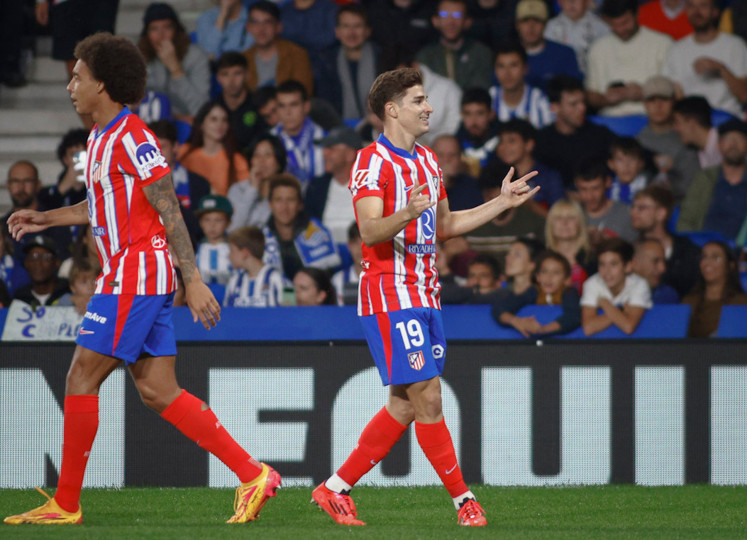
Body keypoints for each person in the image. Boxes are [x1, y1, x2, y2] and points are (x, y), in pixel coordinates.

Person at [3, 32, 280, 526]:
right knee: (158, 390)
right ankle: (253, 473)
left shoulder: (133, 136)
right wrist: (46, 218)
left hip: (136, 271)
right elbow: (101, 206)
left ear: (103, 85)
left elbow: (168, 205)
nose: (70, 85)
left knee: (80, 376)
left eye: (78, 76)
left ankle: (66, 503)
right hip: (134, 272)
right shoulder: (100, 137)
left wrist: (192, 279)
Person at [311, 67, 539, 528]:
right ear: (392, 110)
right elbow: (370, 229)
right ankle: (464, 501)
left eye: (426, 99)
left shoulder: (430, 162)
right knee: (429, 397)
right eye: (418, 100)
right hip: (389, 292)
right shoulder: (371, 161)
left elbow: (447, 226)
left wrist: (501, 202)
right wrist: (406, 211)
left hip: (425, 294)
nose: (428, 107)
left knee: (404, 404)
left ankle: (333, 489)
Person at [662, 0, 747, 119]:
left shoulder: (735, 45)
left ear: (715, 12)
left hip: (727, 119)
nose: (696, 12)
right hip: (691, 122)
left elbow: (744, 96)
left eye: (703, 6)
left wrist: (721, 69)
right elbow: (672, 93)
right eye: (691, 6)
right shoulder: (677, 49)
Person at [585, 0, 672, 116]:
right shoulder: (597, 48)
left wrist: (644, 93)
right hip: (609, 120)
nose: (620, 29)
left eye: (625, 23)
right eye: (614, 25)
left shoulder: (663, 44)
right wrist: (606, 100)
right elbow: (590, 94)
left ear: (637, 14)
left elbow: (675, 92)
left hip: (651, 119)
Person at [534, 75, 616, 189]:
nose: (582, 108)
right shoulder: (542, 142)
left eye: (583, 102)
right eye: (573, 104)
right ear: (555, 108)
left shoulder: (600, 135)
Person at [676, 119, 747, 241]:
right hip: (703, 247)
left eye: (739, 139)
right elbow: (687, 219)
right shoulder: (705, 178)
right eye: (728, 139)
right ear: (719, 145)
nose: (733, 144)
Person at [138, 3, 210, 119]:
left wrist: (176, 69)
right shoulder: (140, 58)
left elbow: (201, 108)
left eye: (167, 27)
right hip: (152, 125)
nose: (161, 35)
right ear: (147, 34)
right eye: (154, 29)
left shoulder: (196, 56)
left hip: (189, 126)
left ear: (176, 30)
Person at [263, 173, 340, 281]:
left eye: (290, 200)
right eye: (278, 200)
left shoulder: (318, 233)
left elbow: (323, 281)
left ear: (300, 204)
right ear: (270, 204)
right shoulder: (261, 238)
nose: (284, 207)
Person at [636, 75, 700, 204]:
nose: (658, 106)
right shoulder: (637, 141)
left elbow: (693, 189)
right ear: (644, 103)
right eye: (651, 100)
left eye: (664, 99)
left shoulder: (686, 138)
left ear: (674, 101)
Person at [629, 184, 701, 298]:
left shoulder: (688, 251)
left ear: (661, 213)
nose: (633, 212)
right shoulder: (629, 251)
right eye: (633, 207)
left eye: (642, 208)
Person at [467, 159, 547, 259]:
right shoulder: (472, 224)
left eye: (496, 198)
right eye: (488, 197)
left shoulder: (534, 224)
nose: (492, 202)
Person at [492, 249, 581, 336]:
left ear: (566, 279)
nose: (548, 277)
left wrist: (542, 330)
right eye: (544, 272)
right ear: (537, 277)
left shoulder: (569, 292)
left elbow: (573, 316)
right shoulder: (534, 291)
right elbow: (500, 307)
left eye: (556, 273)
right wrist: (516, 321)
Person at [316, 4, 380, 121]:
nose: (351, 33)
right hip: (340, 129)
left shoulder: (383, 58)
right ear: (337, 32)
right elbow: (325, 106)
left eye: (357, 26)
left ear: (368, 31)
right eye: (346, 26)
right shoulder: (326, 62)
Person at [415, 0, 494, 91]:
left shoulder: (481, 54)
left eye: (457, 15)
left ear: (467, 21)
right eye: (444, 15)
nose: (451, 22)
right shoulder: (425, 56)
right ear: (435, 21)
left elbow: (480, 91)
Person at [2, 160, 73, 261]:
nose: (21, 187)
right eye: (15, 181)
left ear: (38, 185)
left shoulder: (55, 223)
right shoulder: (2, 227)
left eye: (27, 181)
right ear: (8, 185)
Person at [178, 100, 251, 197]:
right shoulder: (184, 152)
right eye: (214, 119)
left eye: (224, 120)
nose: (219, 125)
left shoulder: (237, 160)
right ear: (202, 124)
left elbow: (244, 196)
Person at [580, 237, 652, 335]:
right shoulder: (591, 283)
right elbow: (588, 328)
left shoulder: (640, 284)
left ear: (628, 266)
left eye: (613, 264)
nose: (607, 271)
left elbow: (628, 327)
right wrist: (622, 311)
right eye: (602, 264)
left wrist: (605, 304)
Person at [34, 0, 119, 81]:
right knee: (72, 60)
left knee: (101, 58)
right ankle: (79, 94)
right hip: (66, 4)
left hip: (102, 4)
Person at [304, 126, 362, 243]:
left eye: (331, 148)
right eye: (325, 148)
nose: (325, 153)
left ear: (350, 154)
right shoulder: (316, 187)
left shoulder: (372, 187)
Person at [243, 1, 314, 96]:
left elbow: (304, 95)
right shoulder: (244, 58)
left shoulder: (297, 54)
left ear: (278, 27)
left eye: (268, 22)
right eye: (256, 22)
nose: (261, 29)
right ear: (248, 27)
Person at [496, 118, 566, 214]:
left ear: (529, 144)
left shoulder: (548, 178)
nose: (503, 147)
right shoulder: (496, 177)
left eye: (511, 141)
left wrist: (527, 203)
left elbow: (560, 216)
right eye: (501, 141)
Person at [681, 241, 747, 337]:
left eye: (716, 257)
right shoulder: (688, 302)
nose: (707, 262)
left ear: (730, 265)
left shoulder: (741, 304)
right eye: (704, 257)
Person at [270, 80, 326, 192]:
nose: (287, 112)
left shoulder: (325, 139)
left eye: (293, 105)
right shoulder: (269, 141)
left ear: (306, 107)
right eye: (282, 106)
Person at [515, 0, 584, 90]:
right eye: (525, 21)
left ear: (545, 24)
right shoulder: (507, 57)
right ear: (517, 25)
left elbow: (574, 92)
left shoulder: (565, 54)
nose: (531, 26)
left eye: (537, 20)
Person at [228, 134, 287, 232]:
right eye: (257, 155)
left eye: (268, 155)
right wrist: (252, 189)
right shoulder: (237, 190)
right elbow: (234, 228)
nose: (261, 161)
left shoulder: (286, 192)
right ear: (251, 161)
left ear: (279, 162)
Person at [489, 43, 553, 129]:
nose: (507, 73)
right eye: (501, 66)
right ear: (495, 71)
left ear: (525, 68)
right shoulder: (489, 98)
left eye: (513, 65)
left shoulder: (539, 101)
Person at [574, 160, 638, 246]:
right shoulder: (570, 215)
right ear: (576, 185)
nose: (590, 196)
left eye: (595, 188)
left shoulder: (628, 214)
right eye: (584, 189)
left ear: (608, 182)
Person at [214, 52, 267, 155]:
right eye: (225, 74)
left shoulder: (259, 105)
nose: (231, 80)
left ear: (247, 75)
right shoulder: (212, 109)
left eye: (237, 73)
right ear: (218, 78)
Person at [544, 0, 610, 74]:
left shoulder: (601, 28)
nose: (571, 2)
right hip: (560, 79)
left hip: (593, 78)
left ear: (587, 2)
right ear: (560, 2)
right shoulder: (548, 28)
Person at [223, 225, 283, 307]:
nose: (229, 256)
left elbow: (289, 313)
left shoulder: (277, 279)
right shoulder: (234, 282)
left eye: (232, 251)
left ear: (245, 253)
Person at [545, 199, 593, 293]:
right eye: (559, 218)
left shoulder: (592, 258)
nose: (564, 223)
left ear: (580, 224)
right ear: (551, 224)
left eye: (571, 218)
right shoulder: (541, 257)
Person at [12, 235, 71, 310]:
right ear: (26, 263)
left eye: (45, 257)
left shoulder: (68, 291)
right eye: (33, 257)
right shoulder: (20, 298)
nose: (38, 263)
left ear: (57, 263)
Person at [39, 128, 90, 212]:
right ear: (65, 159)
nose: (80, 159)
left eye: (84, 153)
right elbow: (43, 212)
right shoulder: (47, 193)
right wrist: (63, 187)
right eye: (75, 154)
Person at [431, 135, 484, 211]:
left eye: (452, 155)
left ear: (460, 158)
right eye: (440, 155)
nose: (446, 160)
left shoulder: (472, 186)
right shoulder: (419, 184)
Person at [456, 87, 500, 170]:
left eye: (480, 113)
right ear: (461, 115)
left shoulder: (504, 143)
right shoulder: (455, 145)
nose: (473, 121)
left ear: (491, 114)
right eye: (468, 114)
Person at [671, 96, 721, 170]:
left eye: (677, 123)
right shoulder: (700, 152)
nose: (674, 128)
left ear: (691, 122)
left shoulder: (725, 145)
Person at [194, 195, 234, 287]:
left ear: (228, 222)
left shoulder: (234, 249)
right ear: (200, 223)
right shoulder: (194, 249)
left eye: (218, 220)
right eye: (207, 220)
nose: (212, 225)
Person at [631, 238, 680, 303]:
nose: (663, 269)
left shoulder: (667, 295)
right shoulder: (615, 296)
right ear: (634, 264)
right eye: (655, 261)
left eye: (664, 262)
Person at [606, 137, 651, 204]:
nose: (626, 165)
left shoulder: (650, 187)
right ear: (611, 164)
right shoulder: (606, 187)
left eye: (632, 159)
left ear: (641, 163)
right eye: (620, 160)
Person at [332, 222, 362, 306]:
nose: (360, 249)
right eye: (355, 243)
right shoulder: (338, 280)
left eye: (365, 243)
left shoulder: (384, 279)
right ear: (348, 246)